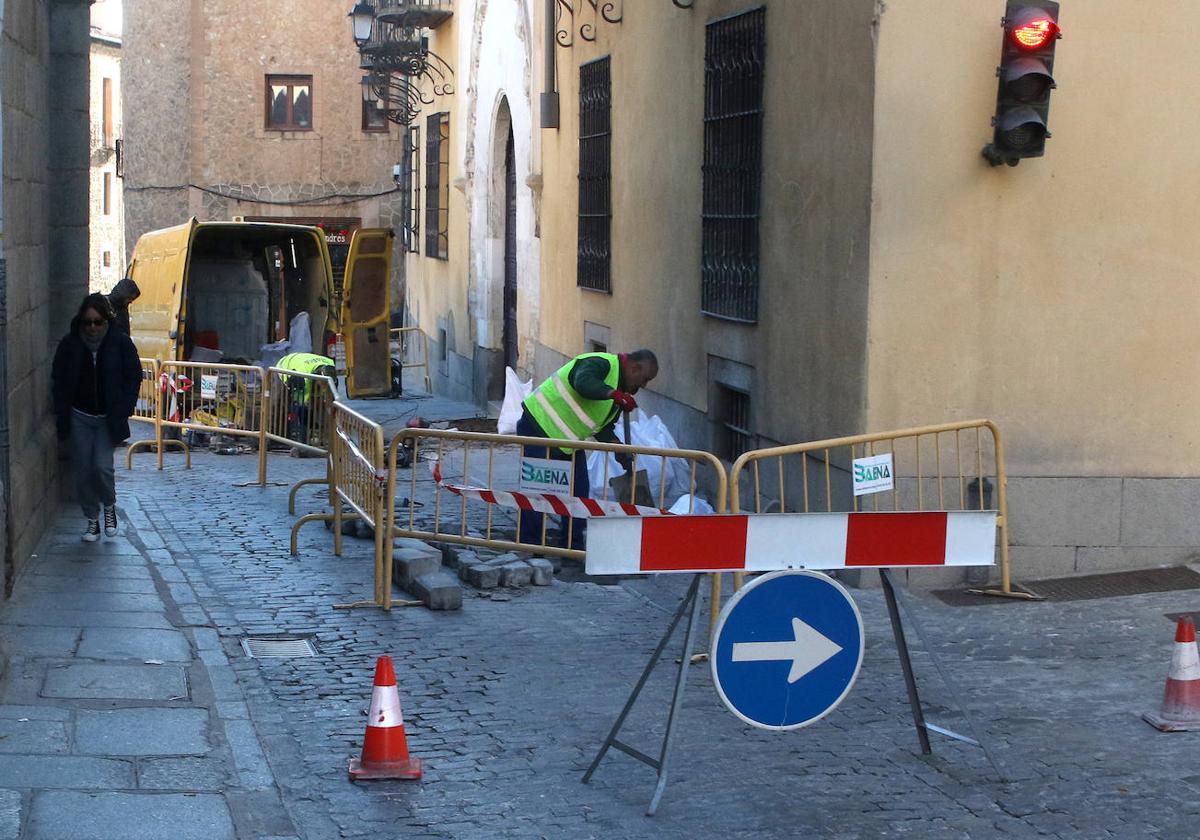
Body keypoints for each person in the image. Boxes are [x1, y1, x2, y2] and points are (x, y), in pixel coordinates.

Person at [516, 349, 658, 548]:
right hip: (539, 426)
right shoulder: (602, 364)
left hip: (569, 442)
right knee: (538, 490)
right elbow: (582, 383)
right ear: (635, 368)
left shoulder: (619, 390)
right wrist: (613, 394)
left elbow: (602, 427)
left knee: (579, 492)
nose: (643, 385)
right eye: (644, 379)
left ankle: (572, 547)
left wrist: (620, 450)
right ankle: (530, 545)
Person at [52, 293, 142, 542]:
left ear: (106, 321)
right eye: (87, 322)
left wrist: (124, 408)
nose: (92, 327)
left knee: (102, 467)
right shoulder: (70, 344)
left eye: (97, 321)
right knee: (82, 469)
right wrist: (62, 411)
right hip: (80, 414)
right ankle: (92, 520)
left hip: (106, 416)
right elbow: (58, 378)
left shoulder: (120, 343)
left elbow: (133, 376)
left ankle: (109, 505)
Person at [276, 352, 337, 445]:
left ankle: (323, 435)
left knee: (318, 404)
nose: (325, 387)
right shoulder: (305, 378)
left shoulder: (331, 364)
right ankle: (278, 435)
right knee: (283, 405)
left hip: (304, 363)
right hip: (284, 367)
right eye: (323, 383)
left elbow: (331, 398)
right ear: (318, 377)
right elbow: (303, 402)